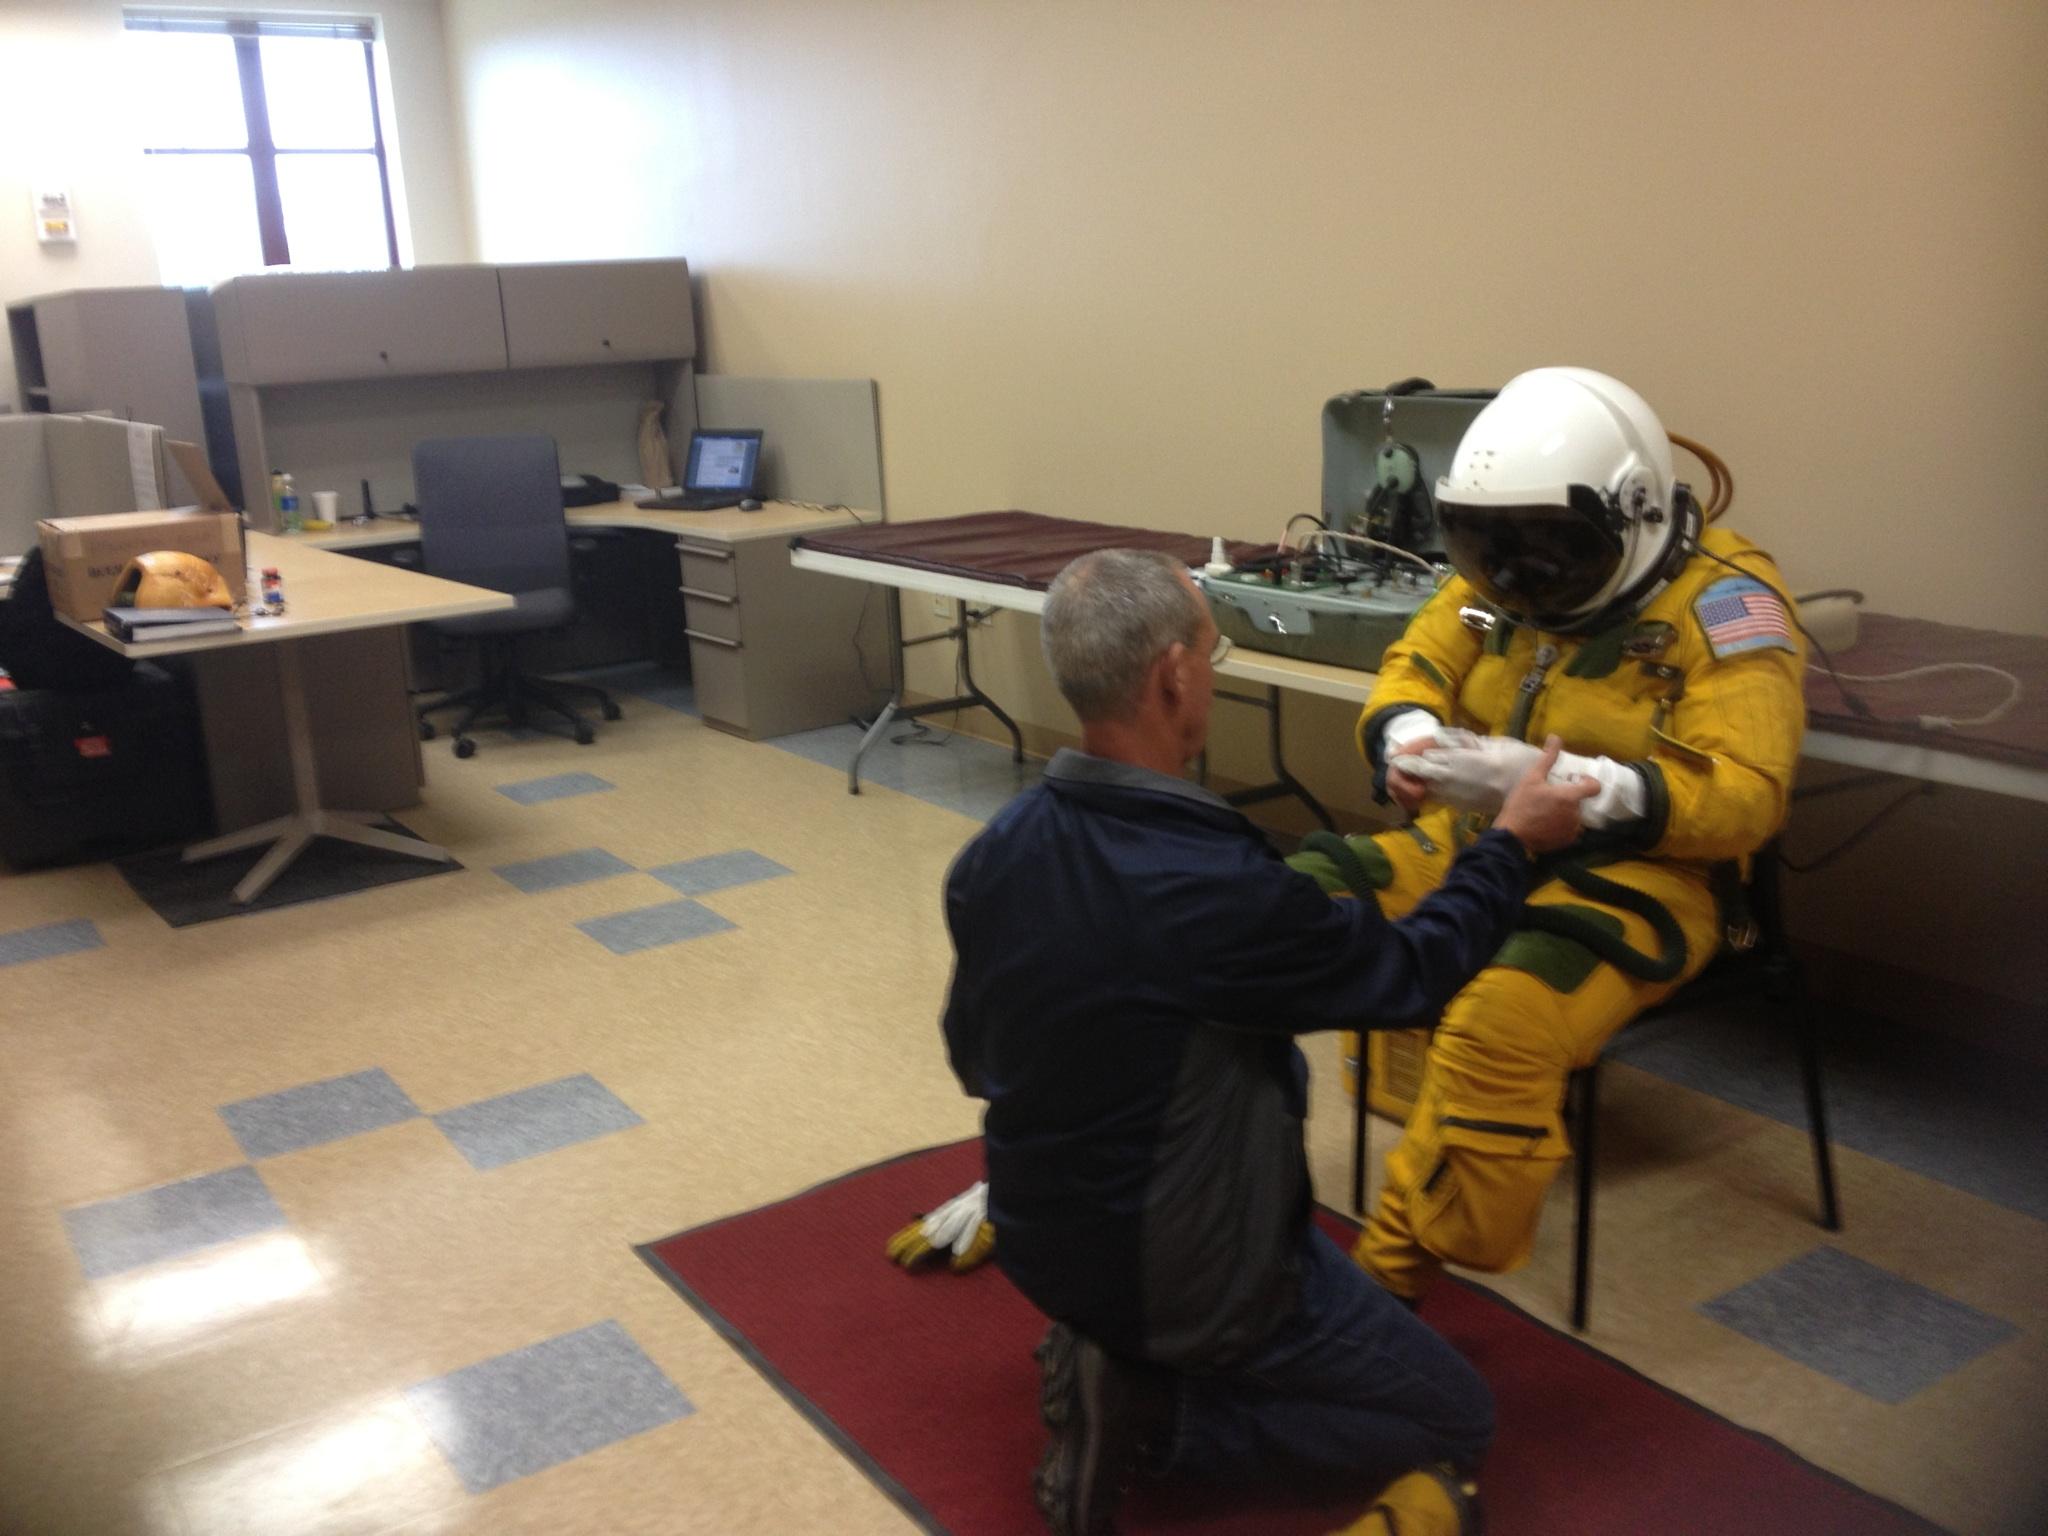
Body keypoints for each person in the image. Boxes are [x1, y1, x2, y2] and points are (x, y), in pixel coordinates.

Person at [935, 547, 1596, 1536]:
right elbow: (1411, 971)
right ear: (1172, 676)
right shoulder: (1212, 889)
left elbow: (976, 1061)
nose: (1214, 668)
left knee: (1224, 1066)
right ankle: (1156, 1417)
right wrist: (1509, 843)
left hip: (1043, 1235)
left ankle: (1118, 1351)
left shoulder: (993, 854)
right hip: (1186, 1271)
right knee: (1453, 1418)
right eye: (1214, 652)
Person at [1292, 366, 1808, 1303]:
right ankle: (1128, 1168)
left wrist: (1588, 790)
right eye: (1490, 551)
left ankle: (1386, 1287)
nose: (1517, 577)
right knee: (1268, 905)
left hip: (1648, 877)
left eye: (1549, 551)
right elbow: (1417, 659)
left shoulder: (1726, 603)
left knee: (1503, 1021)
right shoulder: (1495, 581)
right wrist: (1408, 737)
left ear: (1633, 515)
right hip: (1481, 843)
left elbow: (1747, 794)